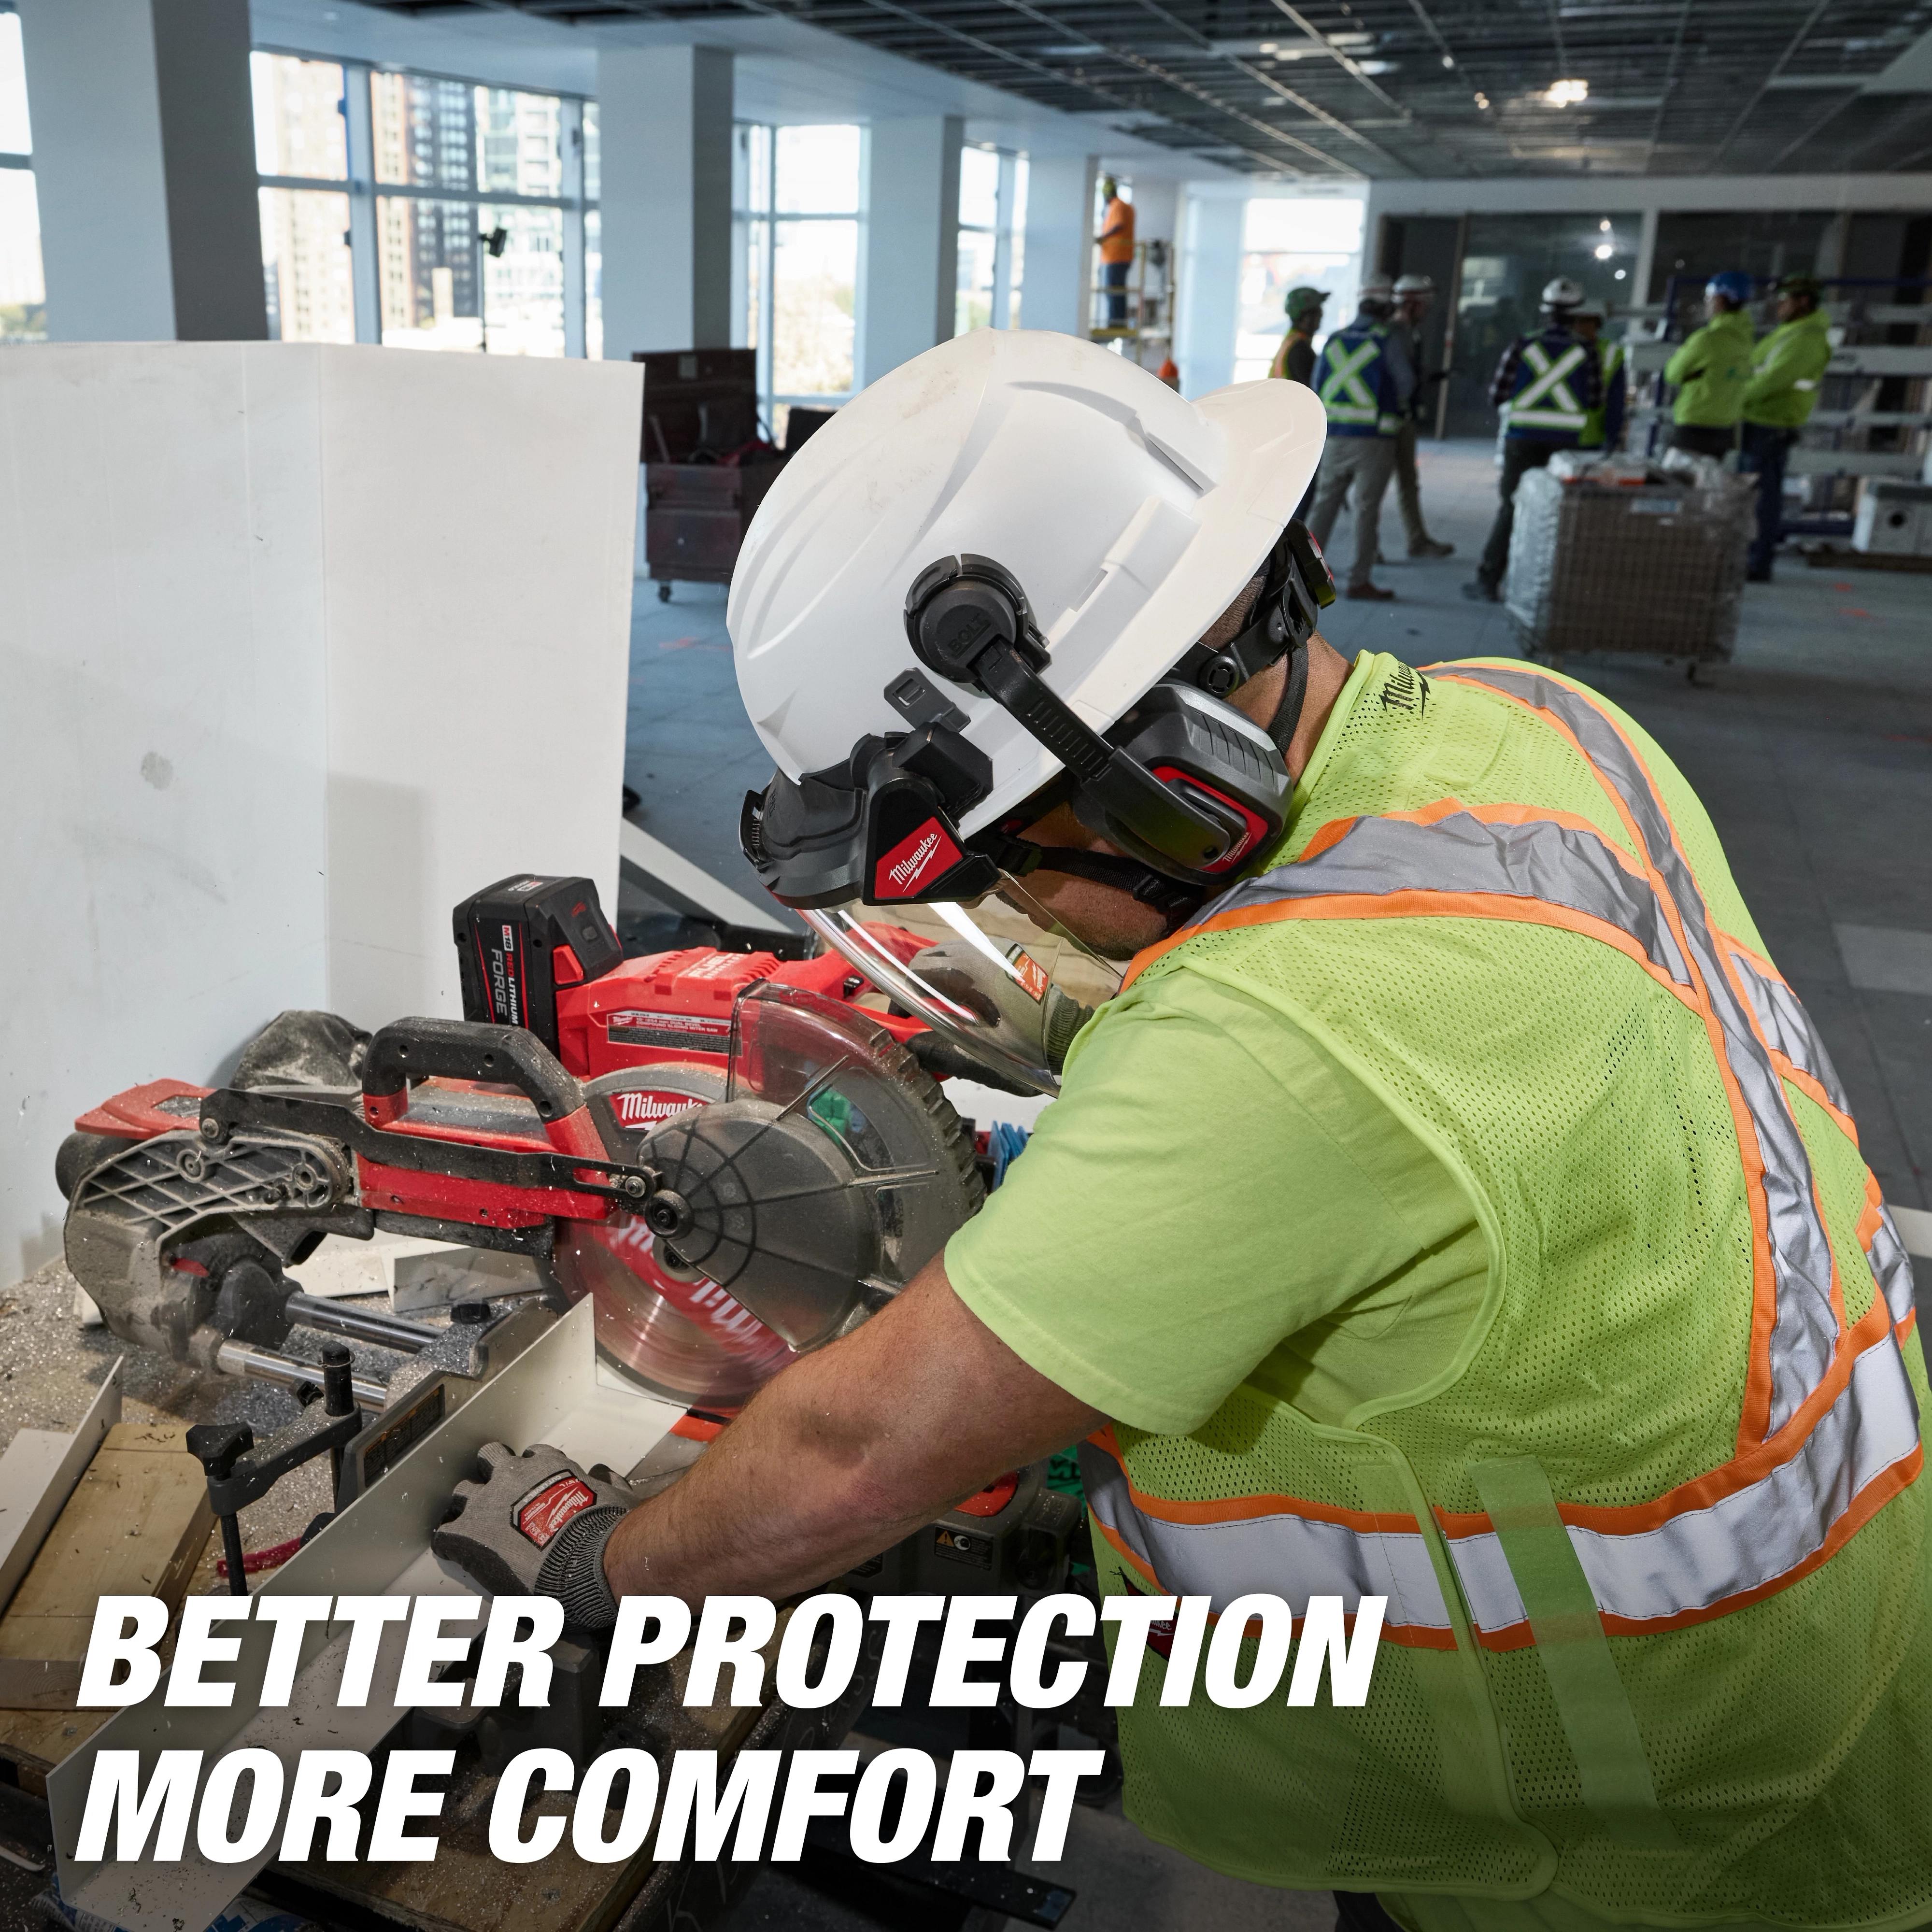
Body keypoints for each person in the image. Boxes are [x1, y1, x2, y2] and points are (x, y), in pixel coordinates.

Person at [436, 327, 1932, 1932]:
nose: (1001, 907)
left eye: (998, 860)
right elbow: (1430, 1046)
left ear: (1160, 782)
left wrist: (596, 1560)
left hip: (1628, 1823)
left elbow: (857, 1454)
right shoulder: (1527, 721)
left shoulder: (1289, 1032)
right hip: (1835, 1632)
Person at [1463, 276, 1603, 602]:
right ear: (1578, 314)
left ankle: (1488, 581)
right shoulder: (1587, 351)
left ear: (1543, 311)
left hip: (1522, 440)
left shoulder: (1523, 344)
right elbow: (1595, 400)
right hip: (1566, 447)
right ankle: (1546, 592)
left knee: (1512, 508)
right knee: (1558, 516)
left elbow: (1498, 393)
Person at [1305, 276, 1414, 602]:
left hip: (1335, 436)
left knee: (1325, 505)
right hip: (1373, 440)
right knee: (1367, 510)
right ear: (1386, 307)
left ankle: (1302, 573)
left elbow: (1317, 385)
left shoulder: (1335, 340)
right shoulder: (1386, 340)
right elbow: (1406, 383)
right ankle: (1359, 580)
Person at [1739, 272, 1832, 582]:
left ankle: (1758, 562)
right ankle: (1749, 557)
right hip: (1760, 421)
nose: (1778, 306)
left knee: (1762, 499)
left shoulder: (1805, 339)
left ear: (1803, 301)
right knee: (1754, 496)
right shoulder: (1789, 332)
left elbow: (1772, 380)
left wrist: (1732, 399)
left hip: (1771, 424)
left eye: (1784, 300)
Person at [1387, 271, 1453, 558]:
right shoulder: (1395, 332)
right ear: (1412, 304)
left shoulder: (1408, 332)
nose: (1428, 311)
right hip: (1392, 420)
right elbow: (1399, 377)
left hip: (1403, 417)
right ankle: (1372, 548)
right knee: (1375, 490)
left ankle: (1418, 539)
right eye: (1425, 304)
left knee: (1408, 482)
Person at [1663, 270, 1755, 459]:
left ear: (1720, 301)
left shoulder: (1707, 339)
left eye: (1708, 298)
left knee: (1680, 484)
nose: (1707, 304)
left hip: (1694, 426)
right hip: (1726, 428)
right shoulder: (1747, 341)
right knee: (1709, 486)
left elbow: (1672, 374)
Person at [1573, 300, 1627, 453]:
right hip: (1551, 434)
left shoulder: (1612, 353)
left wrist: (1612, 437)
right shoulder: (1557, 347)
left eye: (1585, 321)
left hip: (1591, 438)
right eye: (1575, 321)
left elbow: (1616, 401)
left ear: (1597, 324)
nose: (1579, 327)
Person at [1270, 284, 1326, 384]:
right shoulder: (1300, 349)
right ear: (1304, 317)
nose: (1321, 314)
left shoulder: (1291, 341)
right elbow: (1312, 390)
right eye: (1317, 311)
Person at [1098, 178, 1134, 328]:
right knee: (1117, 291)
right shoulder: (1125, 206)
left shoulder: (1118, 206)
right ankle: (1118, 321)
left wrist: (1103, 237)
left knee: (1114, 291)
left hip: (1116, 256)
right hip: (1120, 256)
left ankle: (1116, 322)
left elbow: (1118, 225)